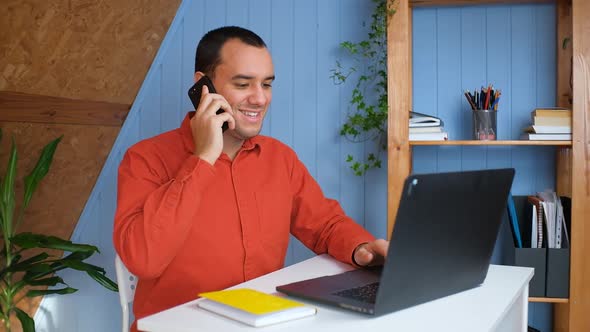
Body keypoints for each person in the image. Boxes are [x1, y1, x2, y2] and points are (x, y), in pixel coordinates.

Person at [113, 26, 389, 331]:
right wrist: (202, 158)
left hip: (263, 324)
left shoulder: (279, 158)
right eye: (243, 84)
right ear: (203, 86)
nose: (260, 99)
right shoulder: (144, 159)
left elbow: (325, 224)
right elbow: (144, 260)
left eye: (267, 84)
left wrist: (361, 248)